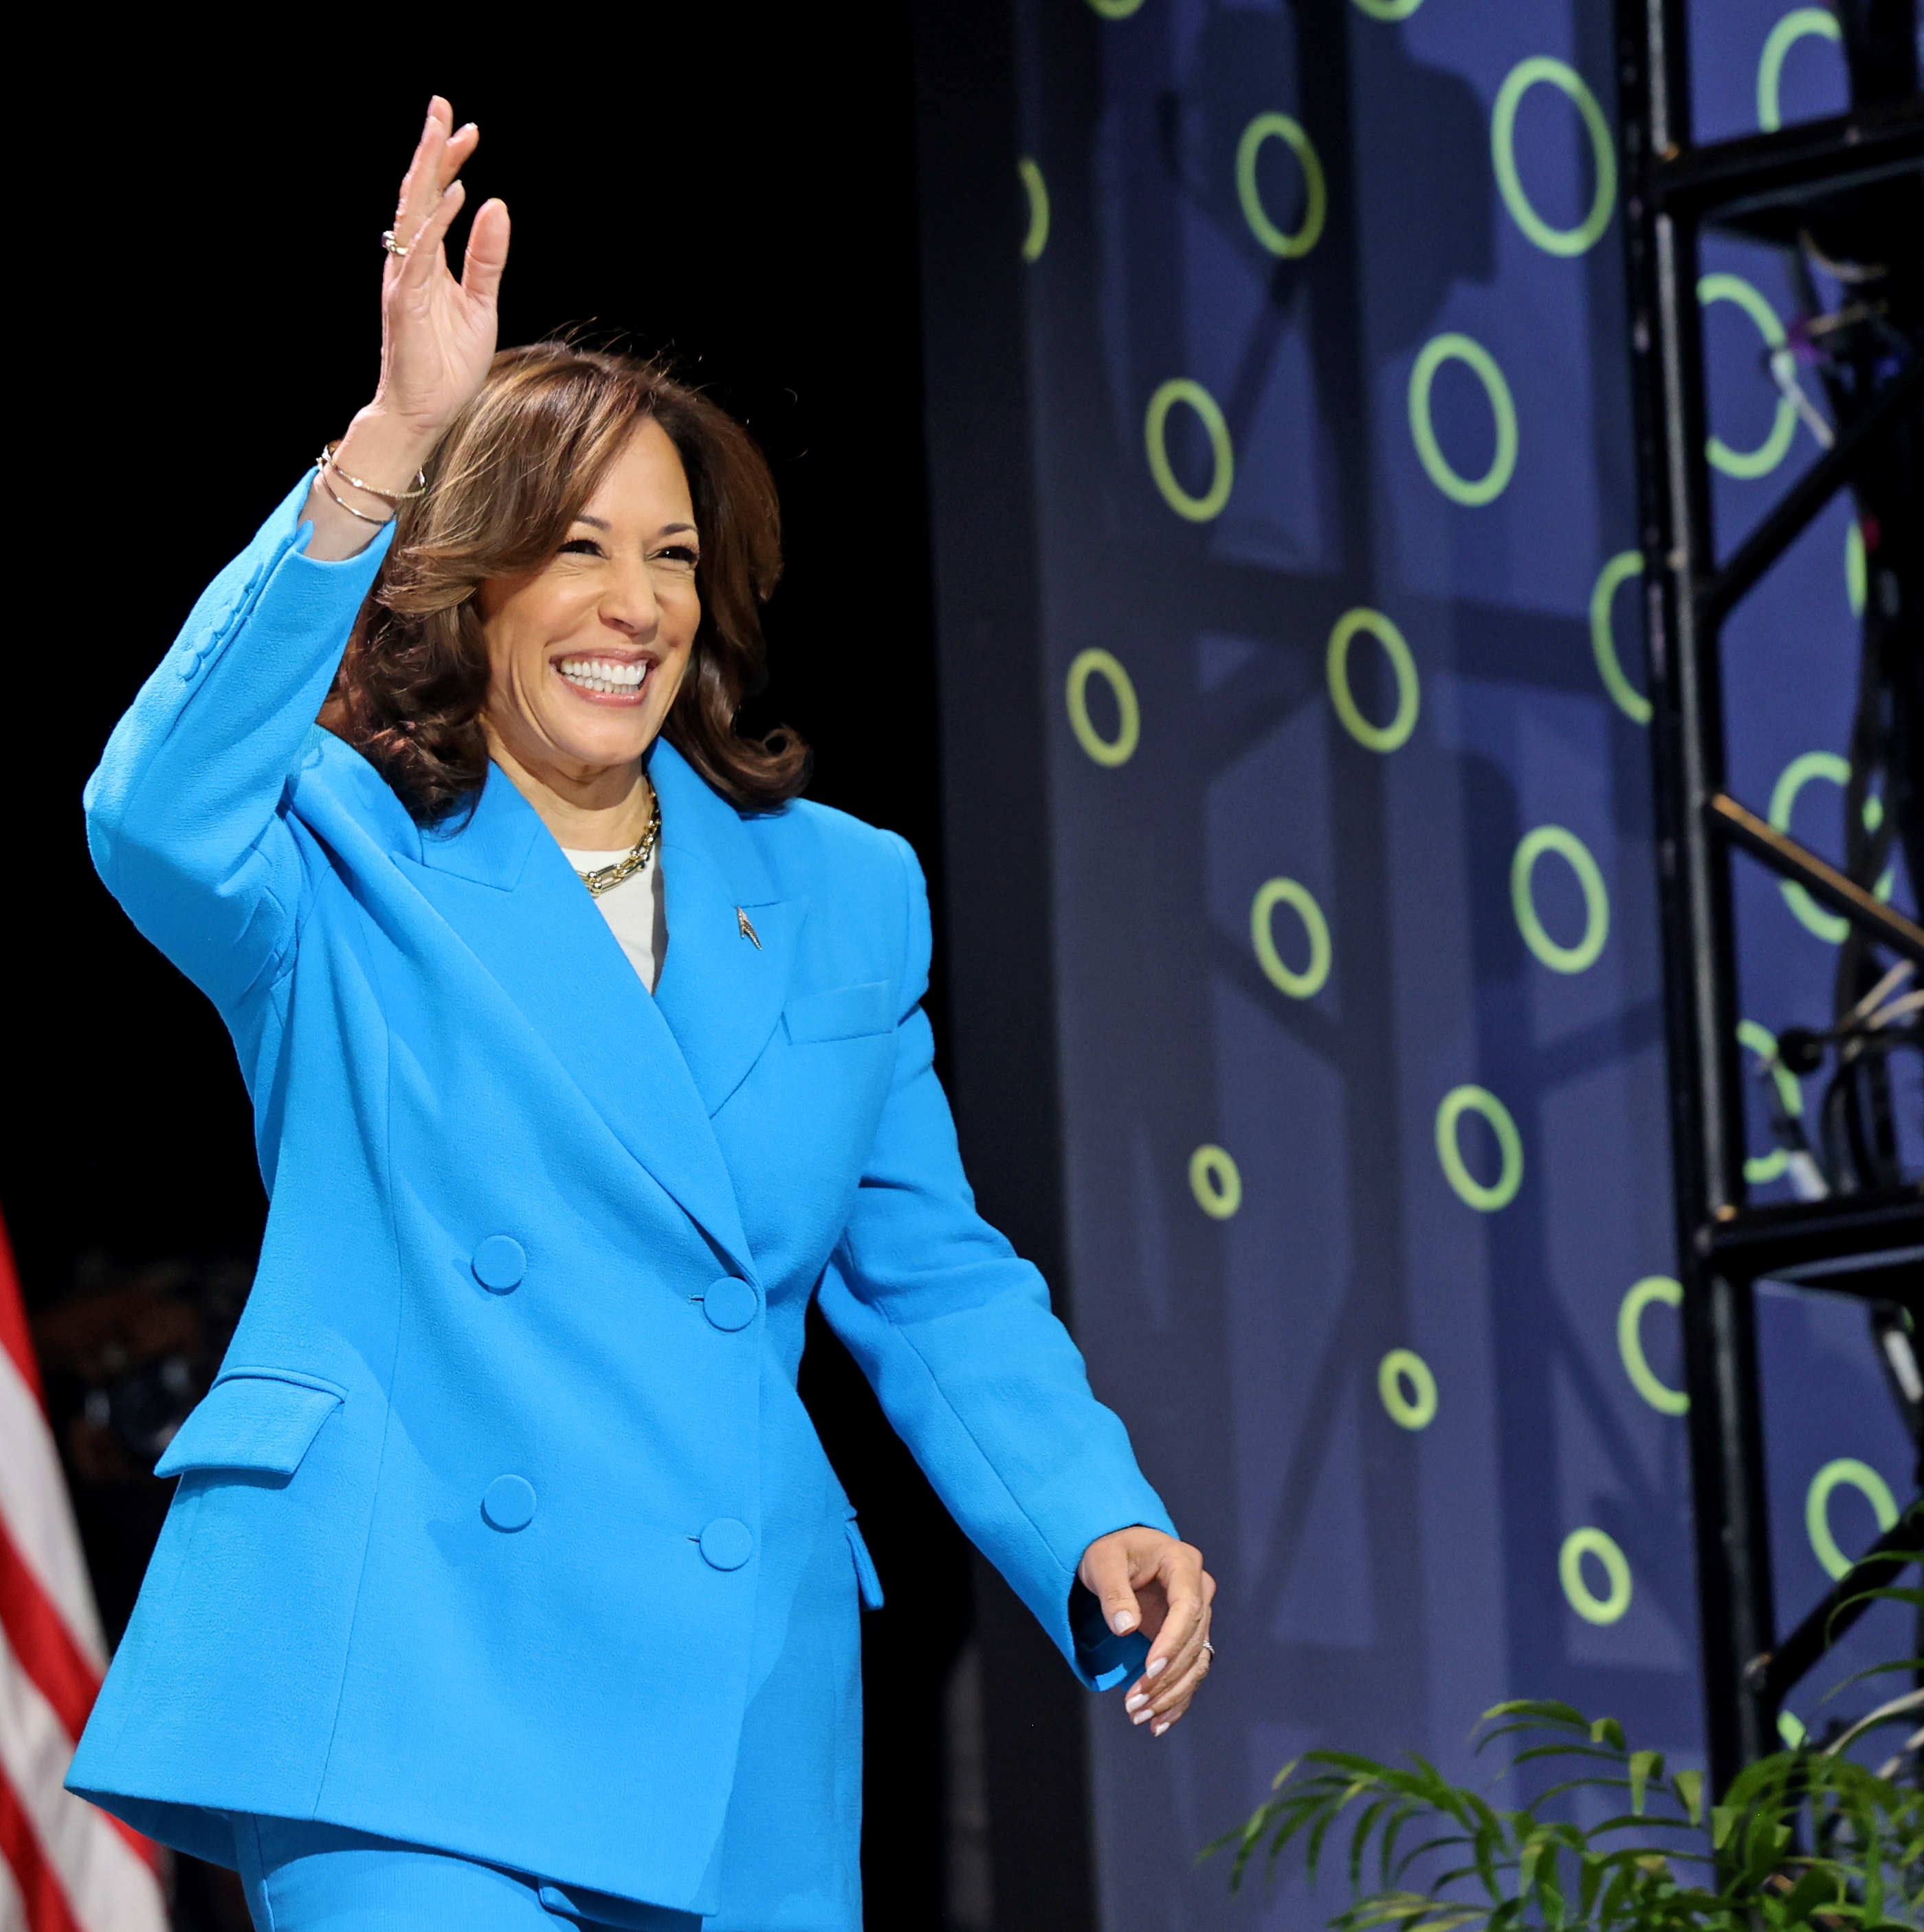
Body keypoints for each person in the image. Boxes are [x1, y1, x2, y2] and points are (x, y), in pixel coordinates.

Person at [65, 98, 1210, 1932]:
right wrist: (383, 448)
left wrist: (1093, 1508)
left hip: (726, 1702)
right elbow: (150, 811)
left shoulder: (838, 887)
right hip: (412, 1681)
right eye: (576, 548)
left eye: (671, 556)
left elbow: (924, 1268)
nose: (632, 605)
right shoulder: (337, 847)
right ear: (478, 580)